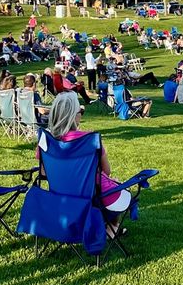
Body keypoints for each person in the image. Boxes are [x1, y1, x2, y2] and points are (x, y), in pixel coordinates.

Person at [40, 92, 128, 239]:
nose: (81, 114)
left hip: (61, 199)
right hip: (91, 198)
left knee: (108, 185)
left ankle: (104, 227)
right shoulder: (90, 140)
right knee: (118, 185)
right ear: (74, 116)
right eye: (80, 111)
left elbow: (43, 173)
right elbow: (107, 171)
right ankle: (111, 227)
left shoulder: (46, 140)